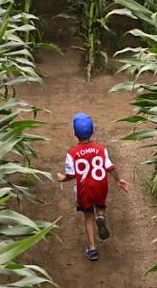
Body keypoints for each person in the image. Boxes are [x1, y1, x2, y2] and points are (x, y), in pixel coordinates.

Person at [55, 112, 131, 261]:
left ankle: (92, 249)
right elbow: (109, 167)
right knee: (100, 206)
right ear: (92, 132)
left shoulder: (72, 153)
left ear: (75, 133)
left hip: (84, 189)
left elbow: (71, 175)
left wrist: (61, 178)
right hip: (100, 185)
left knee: (88, 216)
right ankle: (101, 216)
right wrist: (118, 179)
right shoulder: (101, 149)